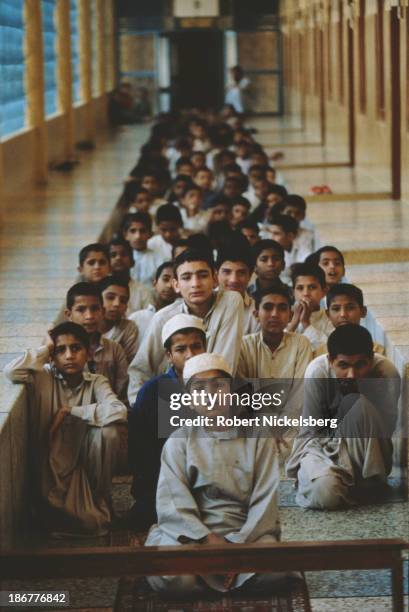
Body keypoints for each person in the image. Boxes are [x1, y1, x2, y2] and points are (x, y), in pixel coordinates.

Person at [146, 352, 298, 595]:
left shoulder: (257, 438)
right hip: (191, 535)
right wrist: (206, 539)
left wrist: (234, 544)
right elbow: (173, 501)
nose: (210, 396)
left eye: (219, 386)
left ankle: (215, 577)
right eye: (199, 388)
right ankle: (226, 577)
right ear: (189, 399)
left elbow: (264, 500)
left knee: (275, 572)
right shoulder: (179, 441)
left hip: (246, 532)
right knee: (177, 579)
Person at [4, 322, 126, 536]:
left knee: (110, 432)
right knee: (90, 523)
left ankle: (98, 500)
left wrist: (70, 411)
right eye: (61, 350)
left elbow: (119, 411)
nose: (69, 355)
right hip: (51, 468)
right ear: (53, 356)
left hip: (85, 465)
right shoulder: (43, 377)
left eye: (76, 348)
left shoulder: (96, 381)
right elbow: (12, 371)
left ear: (88, 354)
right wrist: (46, 348)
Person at [286, 325, 401, 509]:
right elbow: (312, 432)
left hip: (367, 456)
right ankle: (343, 486)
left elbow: (386, 430)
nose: (352, 375)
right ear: (331, 361)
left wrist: (368, 396)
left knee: (358, 404)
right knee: (326, 493)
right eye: (343, 365)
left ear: (371, 360)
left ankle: (362, 486)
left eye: (360, 365)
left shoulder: (386, 373)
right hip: (322, 449)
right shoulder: (317, 372)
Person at [127, 249, 244, 403]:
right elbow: (140, 370)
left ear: (215, 279)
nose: (195, 284)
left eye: (202, 275)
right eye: (186, 278)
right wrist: (140, 409)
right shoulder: (163, 318)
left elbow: (223, 366)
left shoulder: (230, 301)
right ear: (176, 285)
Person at [128, 314, 207, 530]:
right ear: (169, 355)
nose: (190, 355)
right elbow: (140, 451)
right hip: (161, 481)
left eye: (196, 347)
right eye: (181, 349)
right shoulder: (152, 391)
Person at [65, 282, 129, 403]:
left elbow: (122, 393)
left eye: (95, 309)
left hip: (109, 414)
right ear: (69, 315)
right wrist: (47, 346)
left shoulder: (114, 349)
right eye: (81, 310)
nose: (89, 316)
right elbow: (18, 372)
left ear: (103, 311)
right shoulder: (61, 352)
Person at [237, 287, 313, 381]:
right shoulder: (244, 345)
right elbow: (241, 389)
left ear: (290, 316)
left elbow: (300, 389)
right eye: (268, 308)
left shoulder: (301, 344)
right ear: (256, 315)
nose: (275, 314)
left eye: (282, 308)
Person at [315, 283, 385, 356]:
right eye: (336, 309)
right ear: (328, 314)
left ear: (363, 312)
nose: (343, 314)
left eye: (350, 308)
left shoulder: (377, 351)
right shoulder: (320, 353)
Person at [129, 261, 177, 352]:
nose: (170, 285)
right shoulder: (137, 318)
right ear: (154, 283)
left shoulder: (182, 317)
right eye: (165, 279)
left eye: (175, 281)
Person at [286, 263, 334, 352]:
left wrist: (306, 323)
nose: (306, 293)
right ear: (292, 293)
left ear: (324, 291)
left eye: (312, 287)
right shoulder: (285, 317)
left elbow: (328, 350)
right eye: (300, 288)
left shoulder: (330, 319)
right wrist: (293, 324)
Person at [216, 245, 259, 335]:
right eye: (227, 272)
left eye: (241, 273)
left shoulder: (257, 311)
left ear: (250, 275)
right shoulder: (202, 304)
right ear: (216, 273)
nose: (234, 280)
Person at [99, 275, 139, 364]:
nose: (117, 304)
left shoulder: (128, 328)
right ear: (97, 299)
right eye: (110, 298)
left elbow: (130, 365)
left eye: (123, 301)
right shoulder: (85, 324)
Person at [108, 238, 152, 315]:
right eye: (113, 255)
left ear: (132, 262)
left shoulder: (143, 291)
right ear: (107, 262)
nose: (118, 258)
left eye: (123, 254)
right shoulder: (101, 290)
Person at [121, 212, 163, 286]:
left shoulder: (159, 259)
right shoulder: (120, 258)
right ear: (126, 235)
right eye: (133, 231)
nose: (138, 236)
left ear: (150, 234)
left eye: (142, 231)